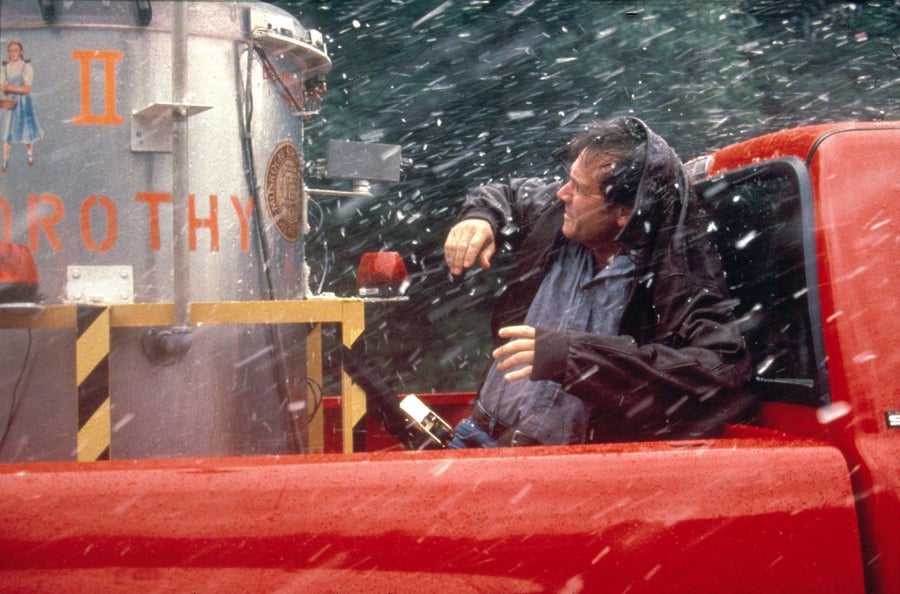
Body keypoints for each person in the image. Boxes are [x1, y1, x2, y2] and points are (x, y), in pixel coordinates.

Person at [443, 116, 751, 447]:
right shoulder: (561, 214)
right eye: (568, 180)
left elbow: (721, 371)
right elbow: (509, 195)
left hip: (562, 471)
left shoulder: (674, 271)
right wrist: (482, 217)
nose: (562, 193)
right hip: (476, 432)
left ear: (625, 211)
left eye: (579, 189)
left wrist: (575, 357)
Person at [1, 40, 43, 174]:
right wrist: (6, 89)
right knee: (8, 133)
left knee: (27, 131)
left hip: (24, 103)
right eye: (11, 50)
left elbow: (26, 89)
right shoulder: (4, 68)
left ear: (21, 52)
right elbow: (3, 88)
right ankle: (5, 161)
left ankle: (30, 156)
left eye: (16, 50)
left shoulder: (27, 67)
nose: (13, 53)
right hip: (11, 102)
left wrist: (11, 88)